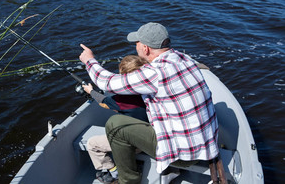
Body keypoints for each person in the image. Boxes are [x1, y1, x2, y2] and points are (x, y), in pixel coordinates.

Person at [79, 22, 219, 184]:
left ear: (145, 48)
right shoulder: (183, 58)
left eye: (137, 43)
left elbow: (105, 82)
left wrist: (89, 60)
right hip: (207, 146)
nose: (136, 47)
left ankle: (128, 180)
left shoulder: (155, 73)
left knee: (115, 124)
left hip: (185, 156)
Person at [83, 55, 149, 184]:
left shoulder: (123, 99)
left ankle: (113, 170)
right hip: (149, 140)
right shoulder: (151, 92)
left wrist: (90, 91)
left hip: (134, 145)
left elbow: (103, 102)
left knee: (92, 144)